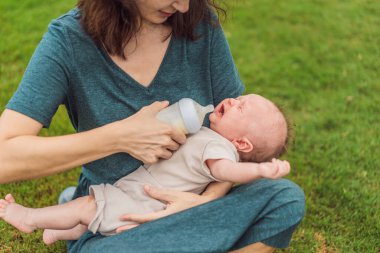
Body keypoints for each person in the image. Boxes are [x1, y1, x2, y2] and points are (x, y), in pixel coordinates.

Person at [0, 0, 305, 252]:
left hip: (190, 208)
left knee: (283, 198)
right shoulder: (68, 43)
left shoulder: (199, 25)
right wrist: (120, 137)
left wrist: (203, 200)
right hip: (121, 223)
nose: (184, 6)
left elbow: (235, 143)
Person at [1, 94, 292, 244]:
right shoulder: (212, 137)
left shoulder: (220, 150)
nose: (232, 100)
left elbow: (229, 172)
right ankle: (58, 233)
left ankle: (29, 217)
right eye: (240, 98)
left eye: (241, 108)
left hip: (143, 200)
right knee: (92, 214)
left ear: (241, 143)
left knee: (85, 207)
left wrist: (260, 172)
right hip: (138, 191)